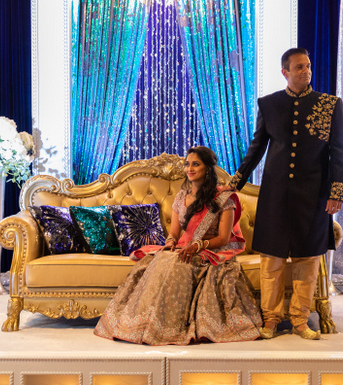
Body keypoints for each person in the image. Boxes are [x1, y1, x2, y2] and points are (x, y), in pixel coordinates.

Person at [229, 48, 343, 340]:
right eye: (299, 67)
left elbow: (338, 151)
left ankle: (300, 321)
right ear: (285, 71)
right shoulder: (269, 104)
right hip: (276, 194)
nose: (306, 71)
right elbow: (256, 149)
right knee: (272, 262)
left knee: (307, 262)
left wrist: (336, 192)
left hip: (314, 195)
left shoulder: (329, 105)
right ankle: (270, 319)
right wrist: (235, 184)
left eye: (308, 66)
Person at [94, 146, 262, 345]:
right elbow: (174, 232)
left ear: (208, 169)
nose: (189, 169)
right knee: (161, 259)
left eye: (196, 164)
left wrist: (198, 246)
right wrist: (171, 242)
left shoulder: (224, 199)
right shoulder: (181, 197)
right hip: (184, 247)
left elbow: (224, 239)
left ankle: (171, 327)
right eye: (187, 164)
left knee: (179, 264)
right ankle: (143, 324)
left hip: (212, 251)